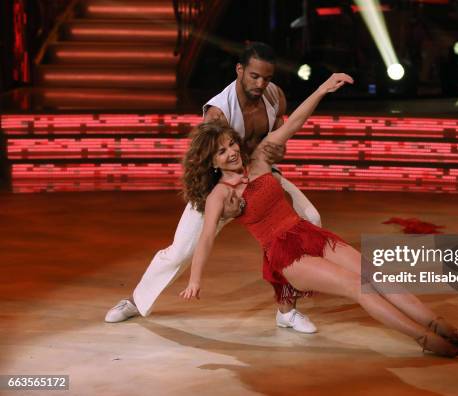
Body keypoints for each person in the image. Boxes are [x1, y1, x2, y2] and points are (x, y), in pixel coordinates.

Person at [179, 73, 458, 357]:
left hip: (308, 233)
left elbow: (294, 123)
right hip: (286, 254)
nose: (231, 152)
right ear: (212, 162)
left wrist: (322, 89)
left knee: (374, 275)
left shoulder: (258, 160)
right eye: (221, 152)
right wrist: (195, 279)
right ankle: (424, 339)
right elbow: (205, 239)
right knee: (359, 287)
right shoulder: (220, 194)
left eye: (231, 144)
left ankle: (436, 323)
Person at [105, 42, 319, 333]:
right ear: (240, 70)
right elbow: (205, 162)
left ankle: (287, 310)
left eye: (267, 77)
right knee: (181, 251)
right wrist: (222, 200)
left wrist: (272, 161)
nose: (261, 83)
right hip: (220, 185)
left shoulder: (275, 96)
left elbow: (275, 140)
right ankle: (134, 301)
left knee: (309, 220)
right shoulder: (218, 112)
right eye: (255, 76)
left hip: (259, 178)